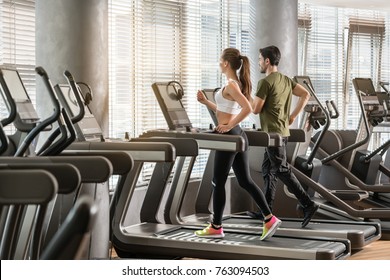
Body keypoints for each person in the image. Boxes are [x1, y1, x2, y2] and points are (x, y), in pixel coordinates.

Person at [195, 48, 281, 240]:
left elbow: (247, 108)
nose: (218, 63)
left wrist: (227, 126)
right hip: (237, 135)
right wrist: (206, 103)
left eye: (220, 60)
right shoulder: (235, 84)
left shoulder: (232, 85)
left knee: (218, 181)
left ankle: (216, 227)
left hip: (230, 136)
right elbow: (226, 109)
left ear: (226, 63)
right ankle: (269, 218)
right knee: (245, 181)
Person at [251, 45, 319, 228]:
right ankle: (266, 212)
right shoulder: (286, 80)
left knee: (281, 170)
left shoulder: (265, 83)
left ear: (267, 61)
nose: (258, 62)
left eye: (259, 59)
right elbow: (305, 94)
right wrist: (293, 116)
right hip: (282, 132)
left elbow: (256, 109)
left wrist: (245, 98)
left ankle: (308, 204)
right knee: (268, 171)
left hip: (273, 134)